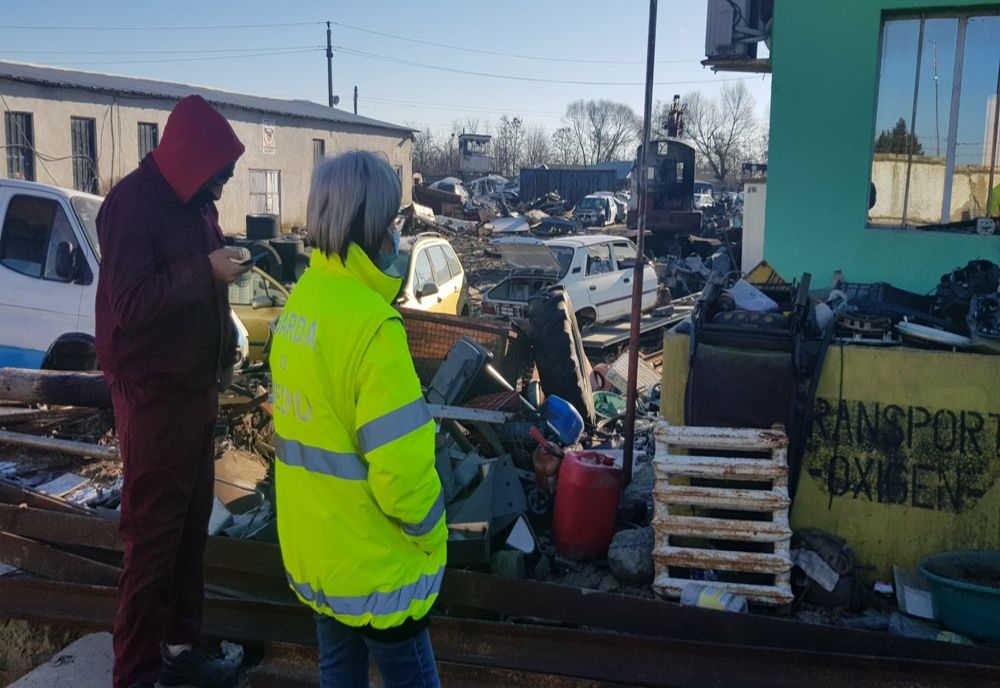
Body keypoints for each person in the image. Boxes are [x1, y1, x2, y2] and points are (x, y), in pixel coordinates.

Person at [270, 151, 446, 688]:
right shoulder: (373, 326)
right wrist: (432, 537)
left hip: (320, 558)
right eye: (391, 221)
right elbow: (403, 474)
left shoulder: (301, 304)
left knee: (338, 673)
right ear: (371, 226)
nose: (395, 234)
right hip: (377, 568)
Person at [95, 95, 251, 688]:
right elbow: (131, 307)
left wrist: (224, 342)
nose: (225, 183)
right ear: (192, 160)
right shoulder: (131, 208)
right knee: (152, 538)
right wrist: (203, 273)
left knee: (189, 533)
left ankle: (183, 651)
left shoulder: (195, 205)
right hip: (154, 397)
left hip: (194, 393)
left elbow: (199, 279)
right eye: (221, 172)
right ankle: (135, 671)